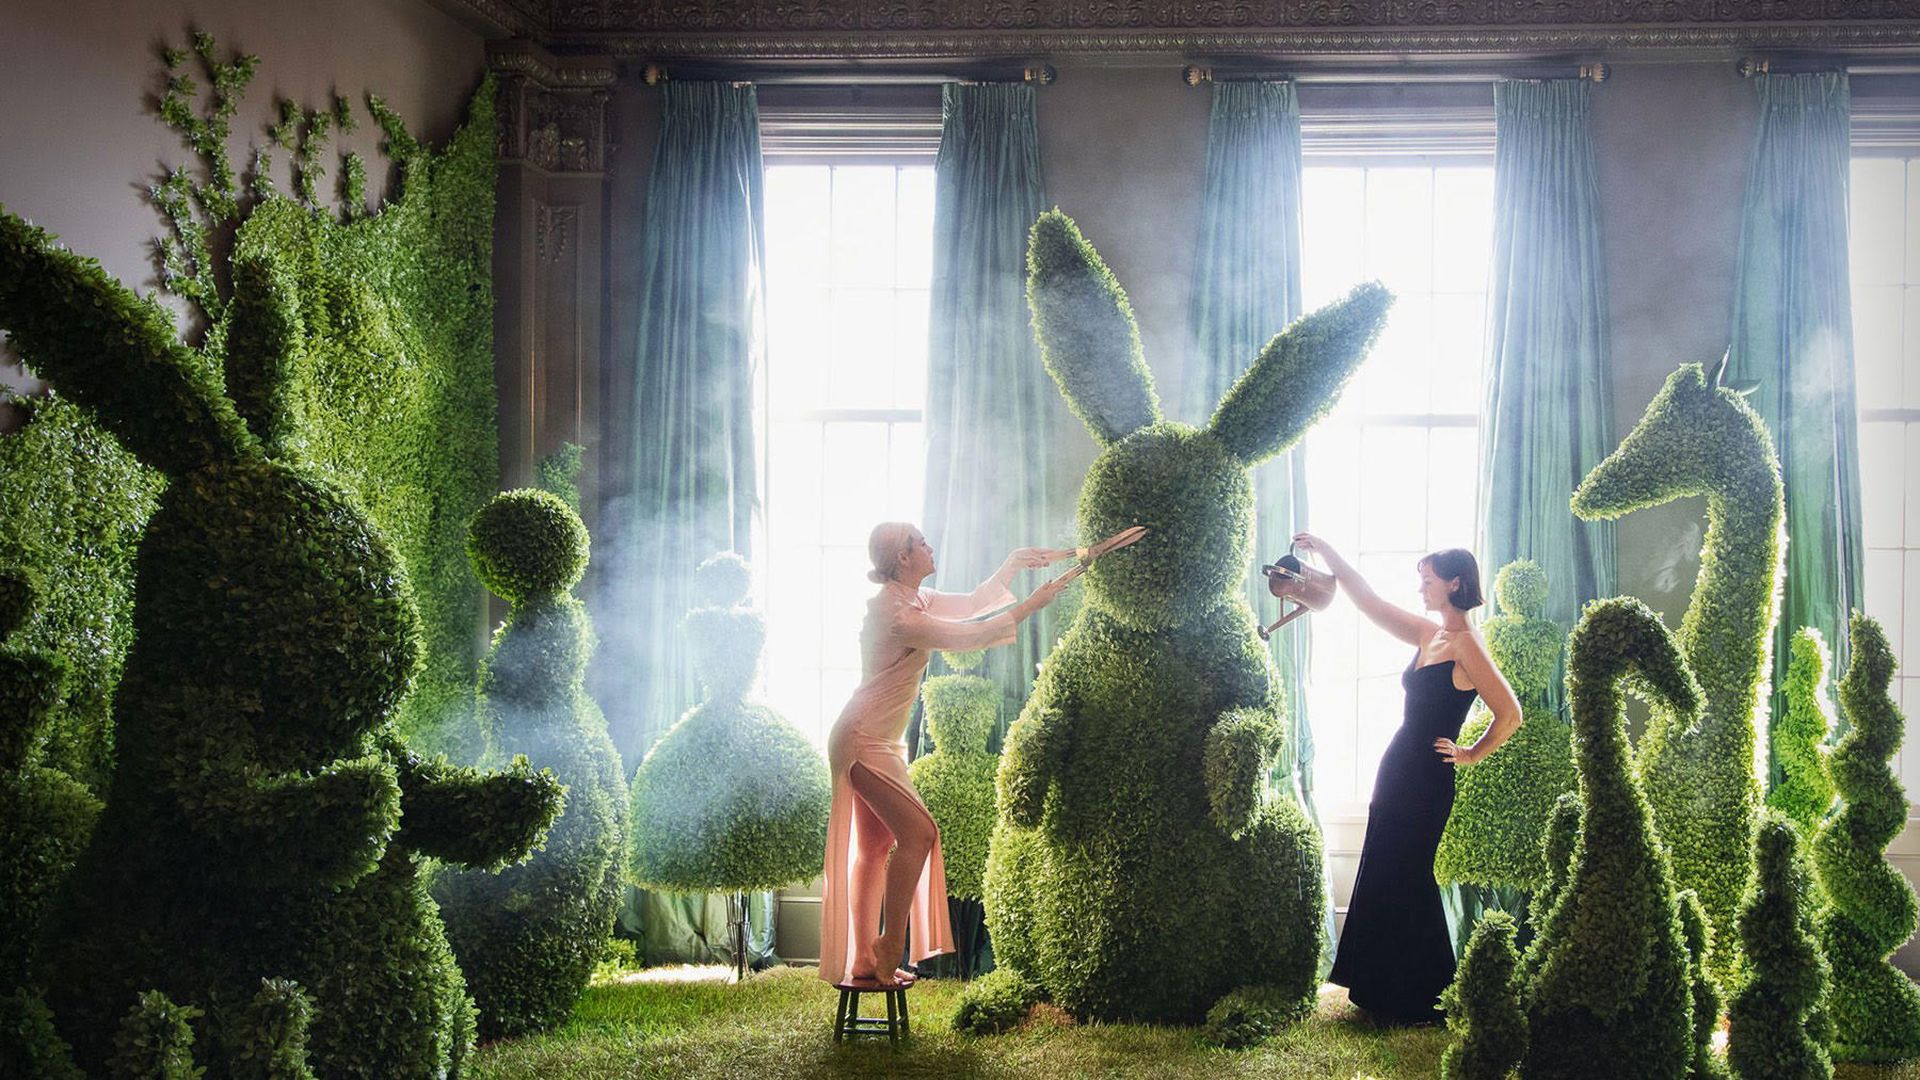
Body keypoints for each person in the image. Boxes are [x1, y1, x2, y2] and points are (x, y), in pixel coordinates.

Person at [819, 523, 1074, 987]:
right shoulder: (898, 615)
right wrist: (1031, 606)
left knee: (876, 849)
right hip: (862, 737)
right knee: (920, 834)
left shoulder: (916, 599)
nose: (930, 545)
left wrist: (1014, 562)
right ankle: (887, 944)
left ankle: (863, 959)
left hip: (879, 738)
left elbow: (975, 605)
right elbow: (969, 637)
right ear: (901, 558)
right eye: (920, 543)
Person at [1291, 534, 1523, 1022]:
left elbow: (1510, 714)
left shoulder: (1467, 646)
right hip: (1397, 768)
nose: (1421, 589)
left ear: (1454, 584)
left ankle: (1424, 996)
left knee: (1409, 875)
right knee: (1382, 869)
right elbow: (1368, 599)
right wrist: (1328, 552)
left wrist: (1469, 753)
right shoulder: (1427, 633)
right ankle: (1378, 993)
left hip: (1426, 780)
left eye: (1428, 581)